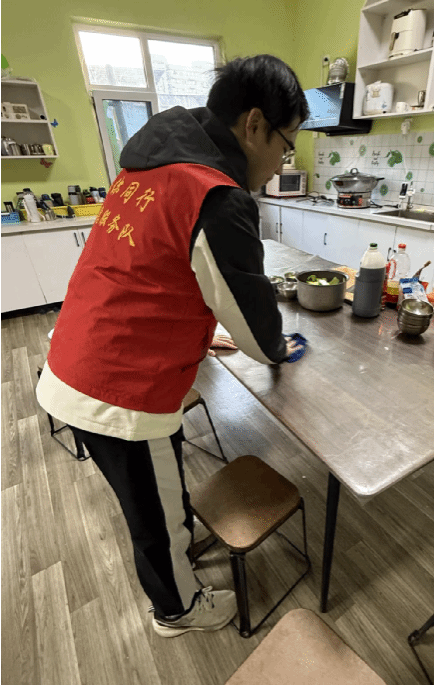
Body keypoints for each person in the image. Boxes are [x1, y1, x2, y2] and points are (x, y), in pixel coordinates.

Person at [36, 54, 309, 637]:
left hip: (84, 352)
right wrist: (277, 347)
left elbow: (155, 271)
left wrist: (205, 329)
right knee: (150, 517)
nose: (282, 164)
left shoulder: (152, 163)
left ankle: (177, 536)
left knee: (156, 490)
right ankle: (177, 610)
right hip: (118, 386)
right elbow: (257, 329)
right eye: (287, 145)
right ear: (255, 125)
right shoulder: (217, 195)